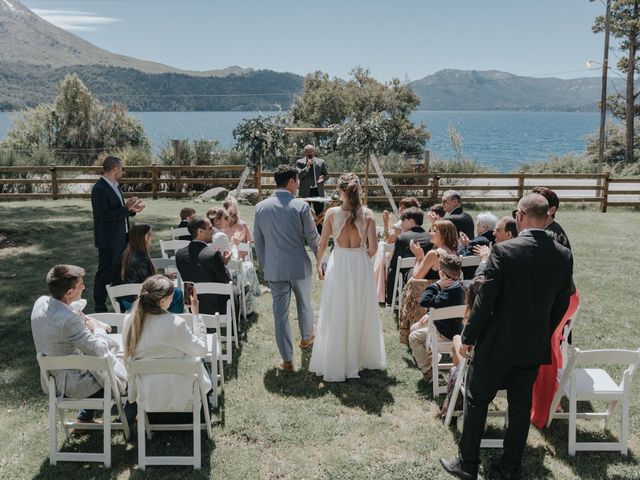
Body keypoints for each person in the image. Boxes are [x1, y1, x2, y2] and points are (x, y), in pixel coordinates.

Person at [440, 193, 573, 480]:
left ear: (521, 216)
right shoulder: (563, 254)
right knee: (520, 406)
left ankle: (467, 464)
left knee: (477, 400)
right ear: (546, 216)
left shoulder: (504, 251)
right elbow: (562, 303)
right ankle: (510, 468)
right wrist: (543, 331)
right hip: (531, 346)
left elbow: (485, 301)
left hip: (496, 344)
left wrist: (468, 335)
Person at [309, 173, 386, 382]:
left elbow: (322, 244)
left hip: (340, 262)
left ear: (341, 192)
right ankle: (358, 357)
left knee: (338, 308)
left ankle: (338, 355)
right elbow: (373, 249)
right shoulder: (368, 214)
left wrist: (318, 265)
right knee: (359, 308)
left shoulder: (332, 213)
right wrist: (360, 256)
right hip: (360, 264)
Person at [31, 265, 128, 428]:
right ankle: (132, 414)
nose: (84, 286)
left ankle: (84, 418)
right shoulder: (68, 320)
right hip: (75, 386)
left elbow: (64, 318)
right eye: (80, 284)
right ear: (69, 293)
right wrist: (97, 328)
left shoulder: (41, 303)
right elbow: (100, 351)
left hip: (53, 381)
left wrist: (83, 320)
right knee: (126, 366)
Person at [253, 164, 320, 371]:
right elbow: (313, 238)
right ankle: (307, 338)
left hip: (275, 269)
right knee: (305, 305)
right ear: (291, 181)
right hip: (299, 266)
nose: (299, 185)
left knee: (279, 314)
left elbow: (259, 241)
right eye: (297, 181)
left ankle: (287, 359)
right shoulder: (301, 206)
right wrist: (321, 262)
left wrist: (266, 266)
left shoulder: (260, 207)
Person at [123, 275, 211, 420]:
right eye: (172, 295)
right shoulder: (175, 323)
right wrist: (196, 316)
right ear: (162, 301)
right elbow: (201, 350)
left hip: (148, 396)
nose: (174, 297)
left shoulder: (129, 321)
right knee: (199, 361)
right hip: (181, 397)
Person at [529, 186, 579, 429]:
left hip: (560, 298)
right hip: (563, 295)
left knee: (545, 351)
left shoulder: (551, 235)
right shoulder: (547, 230)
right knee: (551, 349)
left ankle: (543, 410)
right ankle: (550, 399)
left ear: (550, 210)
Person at [91, 155, 145, 312]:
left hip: (121, 237)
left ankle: (121, 304)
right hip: (108, 240)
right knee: (104, 273)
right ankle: (100, 307)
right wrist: (126, 209)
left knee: (119, 273)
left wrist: (131, 210)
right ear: (114, 169)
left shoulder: (115, 185)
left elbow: (119, 211)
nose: (123, 172)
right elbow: (105, 215)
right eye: (122, 168)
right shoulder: (99, 189)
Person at [398, 219, 459, 345]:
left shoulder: (434, 254)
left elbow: (417, 276)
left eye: (433, 231)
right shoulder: (453, 252)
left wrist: (419, 257)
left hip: (428, 296)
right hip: (445, 297)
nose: (429, 233)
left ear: (443, 234)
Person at [408, 253, 464, 381]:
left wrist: (437, 284)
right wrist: (430, 314)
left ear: (442, 274)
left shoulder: (447, 293)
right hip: (450, 325)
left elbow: (424, 300)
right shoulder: (459, 288)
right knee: (414, 327)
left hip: (444, 332)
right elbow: (441, 304)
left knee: (413, 337)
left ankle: (428, 372)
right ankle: (430, 358)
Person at [440, 276, 484, 417]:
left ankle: (458, 386)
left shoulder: (473, 324)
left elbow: (466, 349)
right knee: (456, 344)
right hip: (500, 373)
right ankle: (458, 376)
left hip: (476, 372)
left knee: (456, 339)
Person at [117, 222, 184, 313]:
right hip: (137, 301)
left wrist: (164, 277)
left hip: (126, 299)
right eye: (149, 234)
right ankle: (173, 322)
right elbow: (149, 285)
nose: (151, 237)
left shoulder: (126, 253)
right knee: (177, 293)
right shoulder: (139, 259)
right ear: (142, 237)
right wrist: (164, 279)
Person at [175, 217, 234, 318]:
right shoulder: (213, 255)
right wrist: (223, 264)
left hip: (193, 306)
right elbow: (225, 279)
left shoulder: (179, 255)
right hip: (217, 307)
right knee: (235, 290)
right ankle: (235, 330)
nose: (213, 231)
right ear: (200, 231)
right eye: (210, 228)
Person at [385, 207, 431, 306]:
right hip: (427, 274)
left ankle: (390, 301)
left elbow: (394, 266)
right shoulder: (430, 237)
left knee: (392, 269)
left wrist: (389, 298)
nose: (401, 224)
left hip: (407, 276)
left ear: (411, 221)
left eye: (403, 221)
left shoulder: (402, 238)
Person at [296, 144, 329, 232]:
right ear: (304, 152)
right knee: (304, 213)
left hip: (318, 190)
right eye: (308, 151)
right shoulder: (300, 162)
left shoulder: (321, 162)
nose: (310, 153)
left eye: (311, 151)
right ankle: (304, 233)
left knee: (319, 213)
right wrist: (306, 168)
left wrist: (323, 178)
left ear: (314, 152)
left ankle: (319, 233)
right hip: (305, 191)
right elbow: (298, 175)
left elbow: (326, 175)